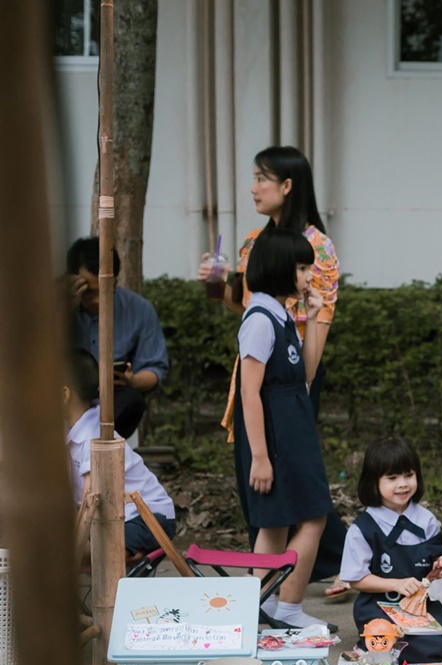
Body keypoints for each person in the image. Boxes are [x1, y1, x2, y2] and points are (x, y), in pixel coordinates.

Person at [198, 145, 347, 591]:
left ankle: (305, 577)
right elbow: (242, 306)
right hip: (258, 371)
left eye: (262, 178)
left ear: (287, 185)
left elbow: (319, 317)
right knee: (266, 484)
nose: (253, 187)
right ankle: (273, 590)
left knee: (289, 484)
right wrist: (216, 286)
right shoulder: (252, 243)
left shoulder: (317, 246)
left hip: (292, 374)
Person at [233, 228, 333, 629]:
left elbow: (305, 373)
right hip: (276, 434)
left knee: (275, 521)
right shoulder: (259, 319)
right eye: (303, 267)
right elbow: (249, 392)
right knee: (314, 516)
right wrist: (259, 456)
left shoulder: (280, 314)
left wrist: (314, 317)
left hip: (293, 423)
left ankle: (259, 606)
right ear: (279, 267)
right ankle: (286, 606)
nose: (310, 275)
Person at [340, 436, 442, 663]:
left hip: (418, 607)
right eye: (392, 478)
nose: (403, 484)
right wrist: (396, 584)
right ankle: (367, 645)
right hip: (377, 608)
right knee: (397, 645)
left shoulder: (426, 520)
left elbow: (434, 561)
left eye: (409, 475)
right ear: (373, 482)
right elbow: (356, 580)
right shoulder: (363, 528)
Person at [64, 348, 176, 554]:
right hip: (108, 519)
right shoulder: (66, 429)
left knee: (90, 551)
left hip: (148, 517)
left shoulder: (95, 435)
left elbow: (91, 501)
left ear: (64, 394)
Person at [65, 237, 169, 439]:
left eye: (107, 292)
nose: (99, 301)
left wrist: (134, 380)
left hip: (109, 399)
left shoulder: (138, 309)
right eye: (90, 293)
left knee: (133, 400)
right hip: (63, 395)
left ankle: (85, 444)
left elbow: (156, 369)